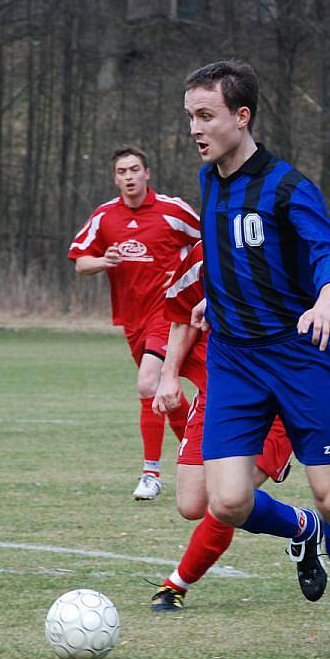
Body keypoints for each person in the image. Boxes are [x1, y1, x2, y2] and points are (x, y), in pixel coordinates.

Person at [183, 60, 330, 659]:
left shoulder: (288, 187)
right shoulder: (210, 177)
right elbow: (230, 252)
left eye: (205, 115)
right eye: (190, 116)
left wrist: (326, 302)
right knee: (228, 501)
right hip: (235, 360)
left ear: (242, 117)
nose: (195, 127)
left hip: (298, 355)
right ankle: (301, 531)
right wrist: (214, 300)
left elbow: (329, 252)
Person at [150, 240, 312, 612]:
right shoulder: (204, 250)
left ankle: (176, 585)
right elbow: (182, 315)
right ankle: (302, 525)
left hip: (277, 397)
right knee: (192, 503)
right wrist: (169, 375)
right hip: (218, 393)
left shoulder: (285, 247)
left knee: (226, 500)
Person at [68, 146, 200, 500]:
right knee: (163, 395)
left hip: (168, 313)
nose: (128, 176)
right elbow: (81, 262)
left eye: (134, 169)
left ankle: (151, 474)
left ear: (147, 173)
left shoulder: (173, 211)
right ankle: (200, 458)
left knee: (147, 383)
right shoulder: (104, 216)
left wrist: (194, 287)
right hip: (131, 319)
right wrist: (104, 261)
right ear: (115, 178)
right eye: (122, 171)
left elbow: (207, 245)